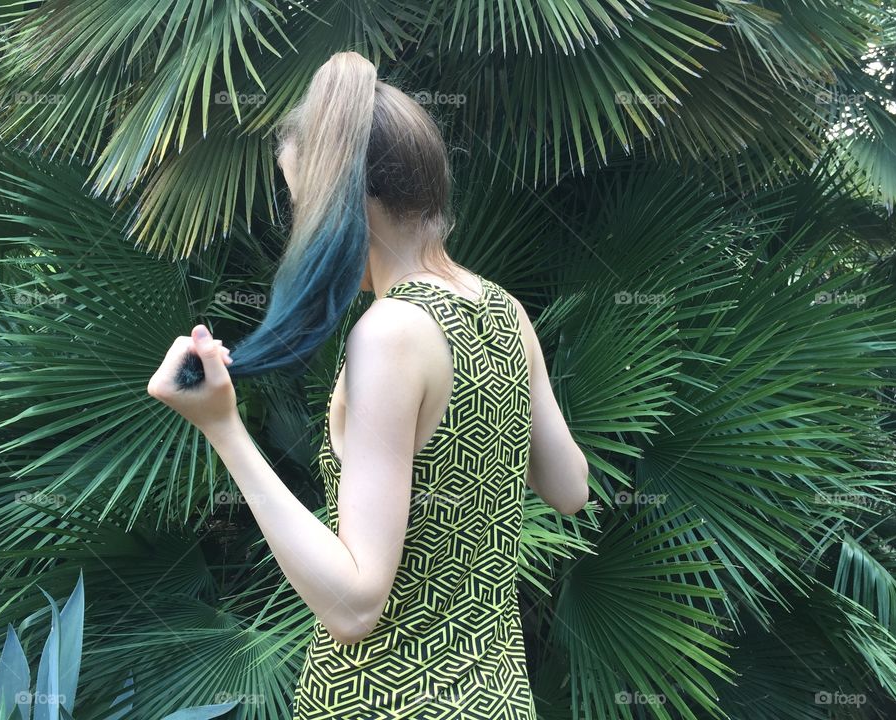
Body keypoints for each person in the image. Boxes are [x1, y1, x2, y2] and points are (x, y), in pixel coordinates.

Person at [147, 50, 589, 720]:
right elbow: (569, 487)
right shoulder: (502, 309)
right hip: (495, 698)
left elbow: (355, 604)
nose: (300, 229)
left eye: (302, 204)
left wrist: (222, 428)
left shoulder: (390, 334)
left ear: (347, 204)